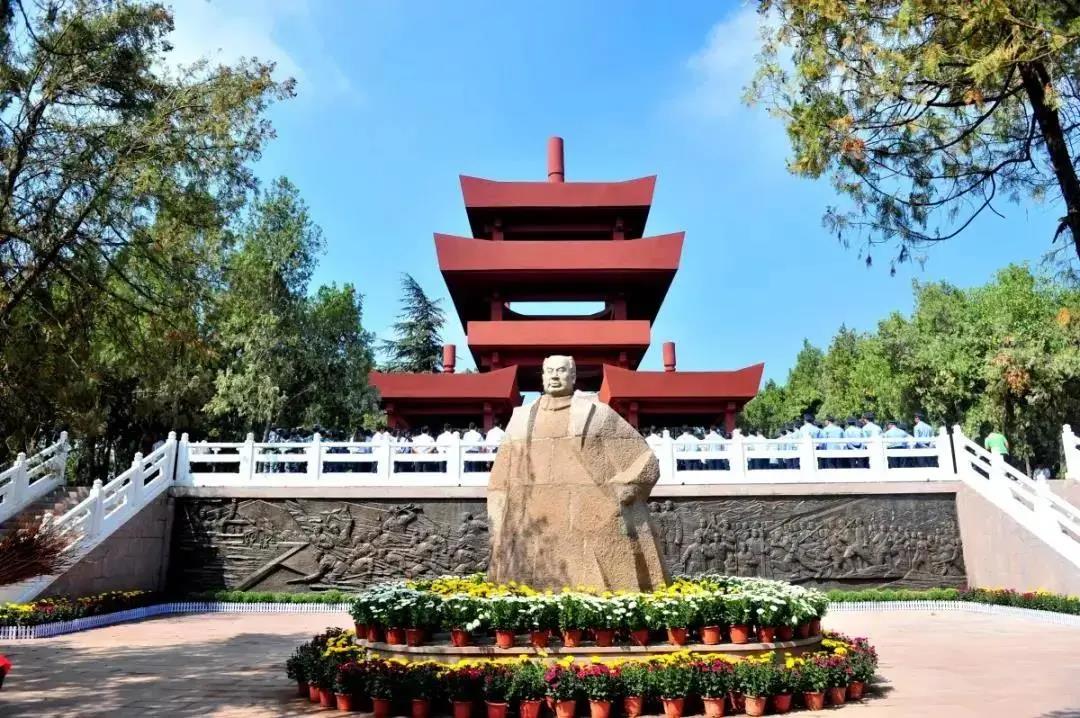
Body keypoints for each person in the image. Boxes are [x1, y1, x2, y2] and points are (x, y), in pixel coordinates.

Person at [487, 354, 668, 590]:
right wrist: (497, 518)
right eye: (549, 371)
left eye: (561, 370)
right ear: (542, 377)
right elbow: (500, 478)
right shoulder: (520, 419)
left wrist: (624, 491)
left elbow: (645, 458)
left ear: (573, 376)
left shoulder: (598, 414)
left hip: (591, 518)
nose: (554, 375)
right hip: (531, 523)